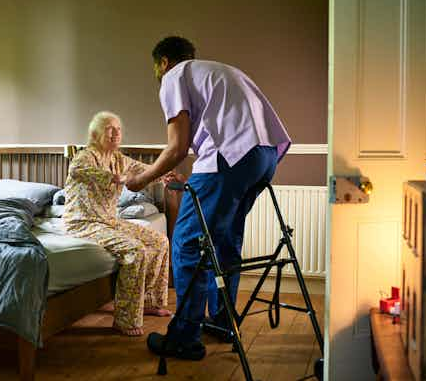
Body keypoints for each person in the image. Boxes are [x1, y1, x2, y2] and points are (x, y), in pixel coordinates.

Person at [124, 36, 291, 360]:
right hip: (263, 156)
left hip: (228, 158)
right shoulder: (221, 72)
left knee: (188, 244)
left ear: (163, 62)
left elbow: (177, 147)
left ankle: (185, 337)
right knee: (225, 241)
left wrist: (139, 179)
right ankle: (223, 320)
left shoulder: (174, 76)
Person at [63, 111, 172, 336]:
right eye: (109, 129)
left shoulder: (119, 158)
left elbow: (144, 169)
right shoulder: (84, 156)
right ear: (95, 134)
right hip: (83, 223)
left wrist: (164, 176)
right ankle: (126, 319)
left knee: (160, 241)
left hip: (109, 221)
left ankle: (149, 301)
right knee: (135, 251)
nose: (115, 133)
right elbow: (77, 171)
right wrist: (112, 178)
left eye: (118, 128)